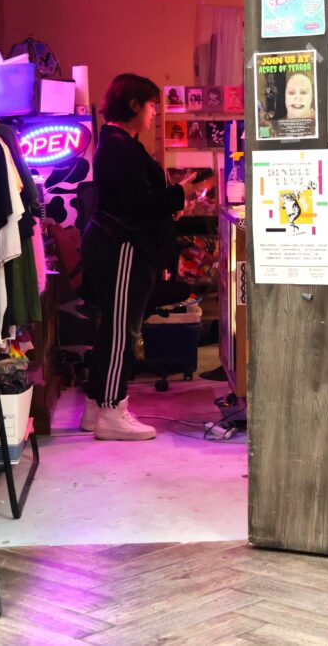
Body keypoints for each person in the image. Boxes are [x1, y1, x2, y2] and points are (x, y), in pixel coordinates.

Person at [80, 73, 205, 440]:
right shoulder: (118, 145)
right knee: (122, 332)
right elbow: (138, 202)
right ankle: (112, 411)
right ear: (134, 104)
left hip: (125, 246)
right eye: (151, 104)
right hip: (122, 248)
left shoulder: (121, 143)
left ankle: (96, 405)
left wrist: (172, 202)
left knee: (115, 330)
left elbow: (139, 200)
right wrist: (181, 193)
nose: (154, 113)